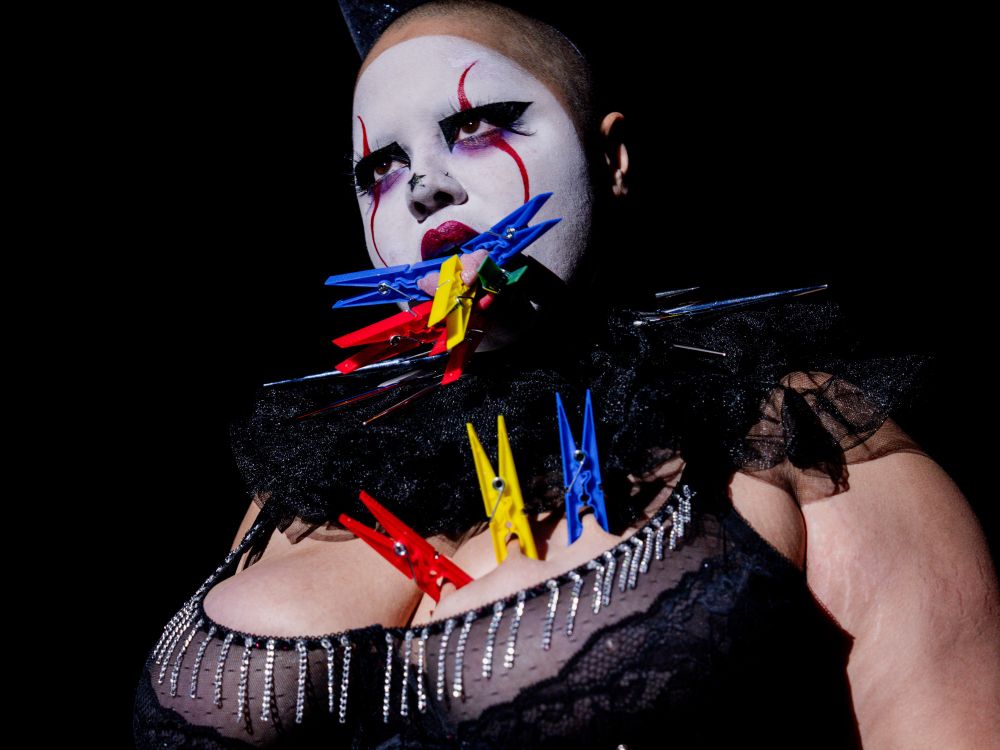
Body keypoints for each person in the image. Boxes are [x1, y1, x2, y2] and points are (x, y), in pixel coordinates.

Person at [133, 2, 1000, 748]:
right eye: (379, 167)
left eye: (474, 124)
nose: (422, 187)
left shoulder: (793, 437)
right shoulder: (308, 483)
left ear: (614, 159)